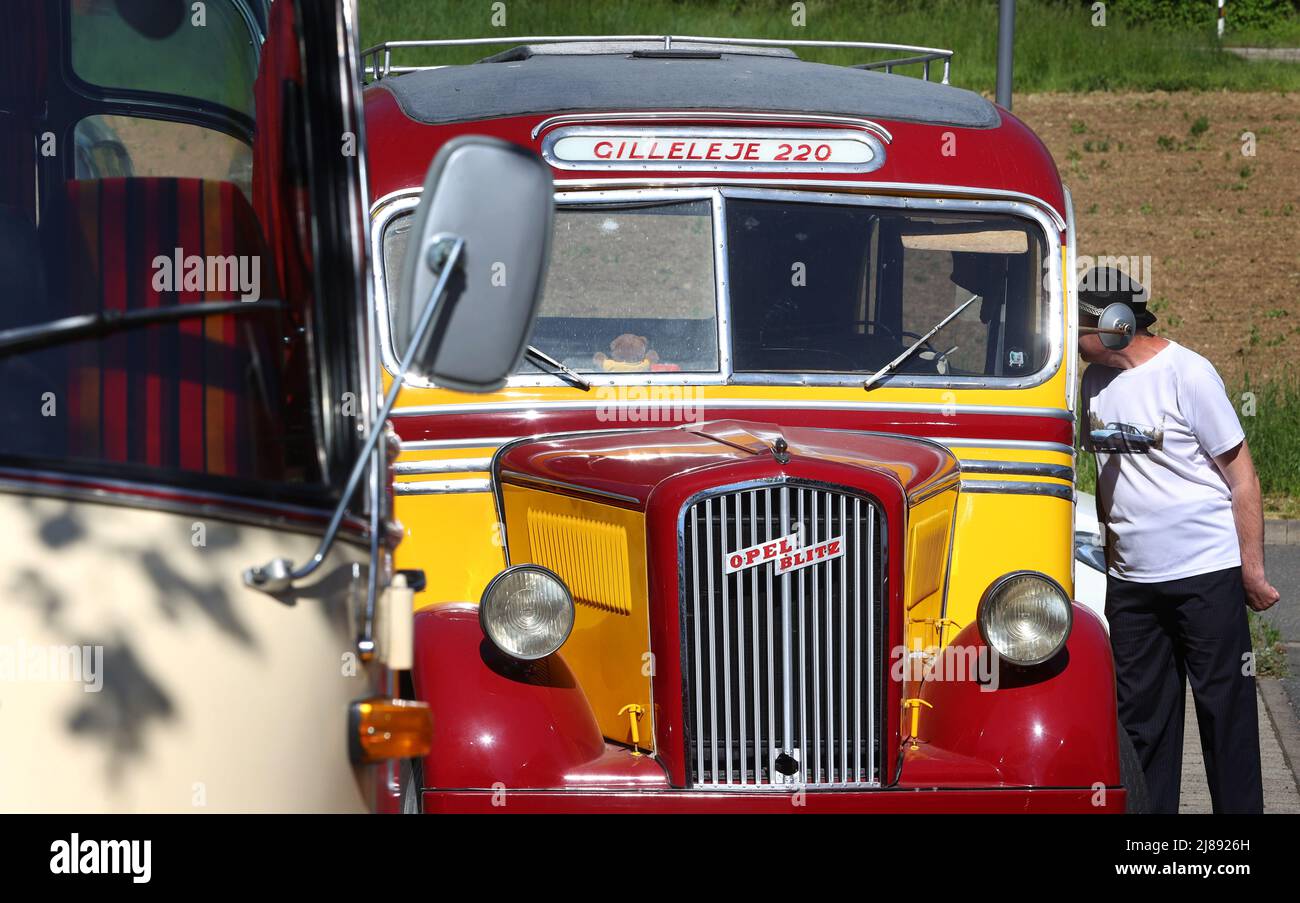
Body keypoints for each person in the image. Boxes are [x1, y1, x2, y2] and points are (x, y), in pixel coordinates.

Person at [1078, 266, 1280, 814]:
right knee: (1140, 724)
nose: (1072, 335)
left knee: (1225, 717)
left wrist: (1252, 570)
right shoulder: (1092, 382)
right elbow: (1108, 478)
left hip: (1205, 577)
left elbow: (1243, 477)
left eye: (1081, 324)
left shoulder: (1187, 374)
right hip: (1134, 586)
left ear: (1117, 324)